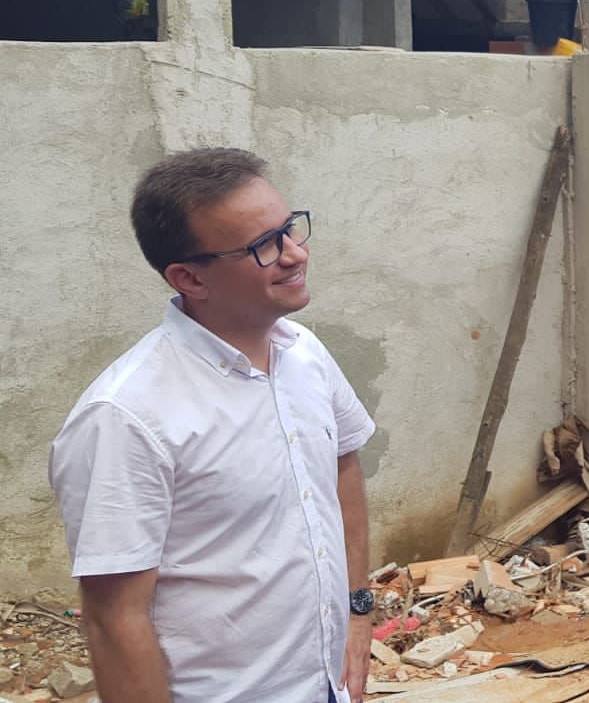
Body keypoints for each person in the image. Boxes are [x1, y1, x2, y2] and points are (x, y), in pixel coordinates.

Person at [49, 149, 375, 703]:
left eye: (290, 229)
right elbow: (113, 619)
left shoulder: (306, 354)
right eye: (263, 246)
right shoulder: (126, 416)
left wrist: (358, 614)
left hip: (324, 685)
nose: (295, 254)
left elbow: (342, 468)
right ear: (188, 277)